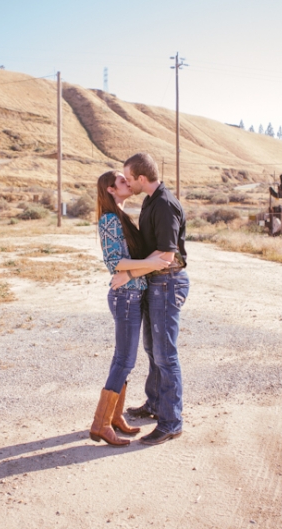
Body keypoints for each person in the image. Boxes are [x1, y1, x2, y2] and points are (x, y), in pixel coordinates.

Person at [112, 153, 189, 446]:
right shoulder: (151, 200)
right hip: (156, 282)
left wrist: (130, 273)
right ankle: (155, 405)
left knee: (165, 354)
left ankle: (171, 422)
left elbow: (166, 256)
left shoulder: (165, 205)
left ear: (141, 179)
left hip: (168, 282)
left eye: (129, 178)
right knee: (152, 348)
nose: (127, 183)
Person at [90, 170, 171, 446]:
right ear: (111, 190)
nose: (128, 182)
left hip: (132, 295)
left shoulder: (121, 217)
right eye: (122, 181)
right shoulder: (109, 220)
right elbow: (115, 263)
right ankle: (100, 423)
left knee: (124, 359)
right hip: (125, 297)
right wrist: (153, 264)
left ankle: (113, 417)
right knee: (124, 360)